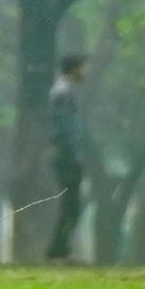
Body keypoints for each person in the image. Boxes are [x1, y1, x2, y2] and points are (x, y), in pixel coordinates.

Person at [47, 54, 89, 262]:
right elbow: (65, 129)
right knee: (71, 205)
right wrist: (74, 155)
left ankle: (59, 249)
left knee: (71, 205)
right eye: (83, 67)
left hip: (67, 155)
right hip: (67, 157)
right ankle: (59, 250)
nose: (86, 72)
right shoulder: (63, 93)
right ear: (74, 69)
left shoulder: (64, 91)